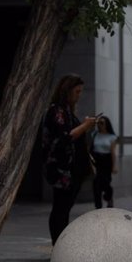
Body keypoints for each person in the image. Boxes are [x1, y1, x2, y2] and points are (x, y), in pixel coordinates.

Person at [42, 74, 97, 245]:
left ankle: (60, 244)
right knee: (61, 207)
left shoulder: (68, 112)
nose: (79, 96)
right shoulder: (57, 111)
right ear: (67, 91)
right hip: (62, 169)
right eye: (77, 92)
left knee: (64, 208)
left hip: (72, 169)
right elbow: (65, 137)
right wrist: (85, 126)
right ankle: (58, 244)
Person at [91, 116, 118, 208]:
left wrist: (114, 166)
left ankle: (108, 197)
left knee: (106, 183)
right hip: (96, 160)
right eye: (98, 123)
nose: (100, 125)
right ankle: (98, 206)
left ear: (107, 124)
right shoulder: (94, 134)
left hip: (106, 161)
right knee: (96, 184)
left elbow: (113, 153)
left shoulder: (112, 137)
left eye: (102, 123)